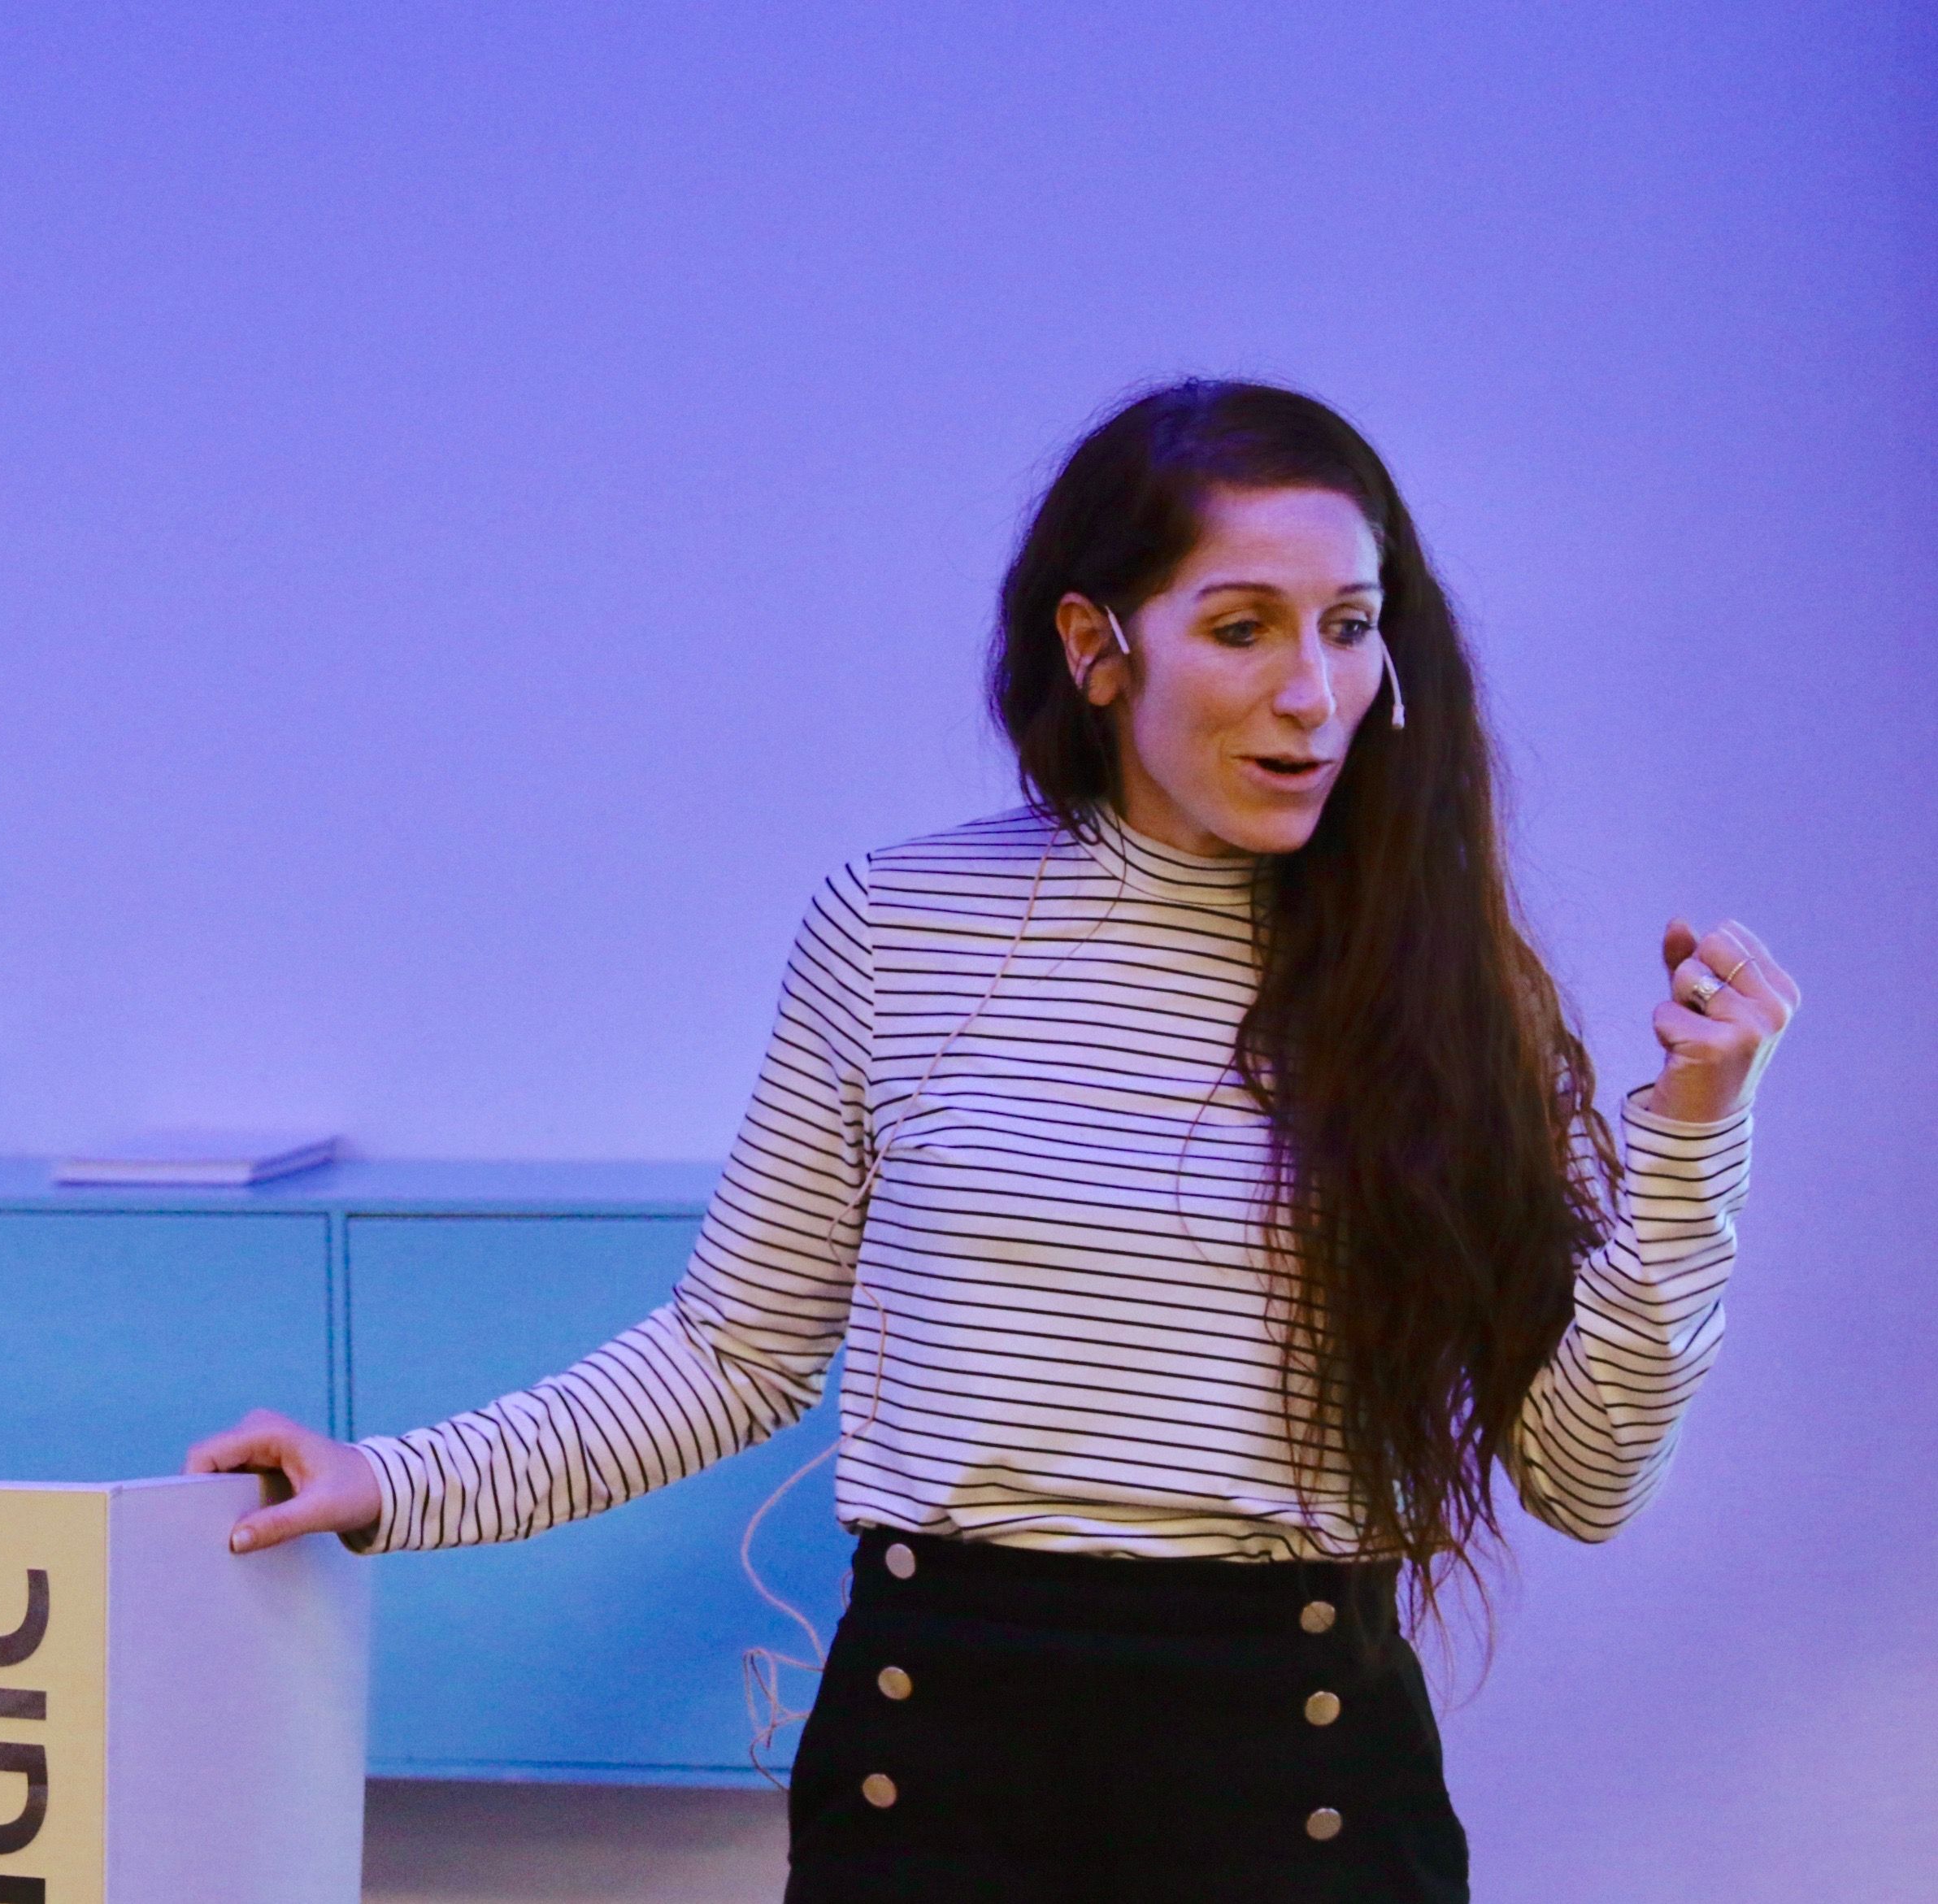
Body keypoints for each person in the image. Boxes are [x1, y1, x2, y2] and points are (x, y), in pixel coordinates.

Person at [185, 380, 1797, 1902]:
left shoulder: (1432, 986)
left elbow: (1583, 1476)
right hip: (940, 1759)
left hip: (1303, 1770)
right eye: (1242, 627)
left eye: (1351, 626)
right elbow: (730, 1352)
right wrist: (390, 1480)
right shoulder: (898, 926)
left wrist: (1692, 1139)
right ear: (1097, 647)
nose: (1313, 693)